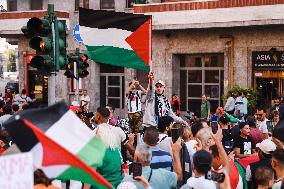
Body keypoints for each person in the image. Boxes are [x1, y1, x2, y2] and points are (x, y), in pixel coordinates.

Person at [93, 107, 135, 188]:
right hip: (117, 177)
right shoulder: (118, 130)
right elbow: (132, 149)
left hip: (101, 179)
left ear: (98, 117)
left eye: (95, 114)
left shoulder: (94, 133)